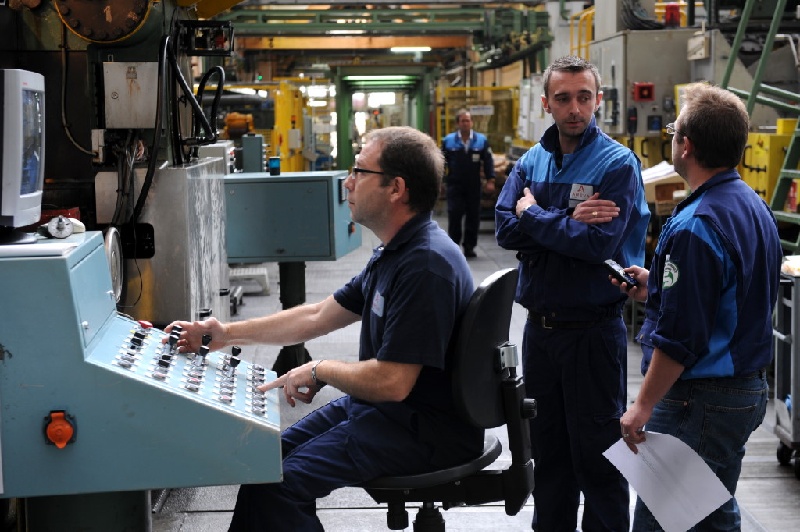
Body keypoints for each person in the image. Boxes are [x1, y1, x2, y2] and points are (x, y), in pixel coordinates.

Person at [164, 126, 481, 531]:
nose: (347, 182)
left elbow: (392, 382)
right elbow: (316, 316)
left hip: (425, 431)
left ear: (395, 188)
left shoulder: (426, 266)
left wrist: (320, 369)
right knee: (266, 462)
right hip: (391, 415)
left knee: (280, 486)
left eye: (359, 171)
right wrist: (224, 334)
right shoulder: (396, 252)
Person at [495, 55, 651, 531]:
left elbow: (598, 244)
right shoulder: (532, 160)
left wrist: (535, 215)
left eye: (584, 97)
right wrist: (561, 223)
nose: (574, 108)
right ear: (546, 103)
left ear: (598, 100)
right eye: (563, 98)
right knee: (549, 458)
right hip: (539, 334)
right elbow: (504, 228)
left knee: (600, 460)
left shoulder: (617, 164)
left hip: (592, 335)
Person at [618, 82, 782, 531]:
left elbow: (681, 337)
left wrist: (642, 407)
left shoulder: (696, 225)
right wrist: (659, 289)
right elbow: (732, 292)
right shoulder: (753, 206)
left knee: (658, 521)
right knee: (710, 514)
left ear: (685, 146)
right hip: (744, 391)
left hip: (700, 399)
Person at [442, 108, 495, 257]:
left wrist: (490, 180)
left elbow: (488, 161)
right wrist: (440, 182)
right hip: (454, 185)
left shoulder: (481, 140)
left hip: (473, 185)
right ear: (458, 123)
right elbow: (442, 163)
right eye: (463, 120)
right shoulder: (448, 141)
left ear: (471, 122)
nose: (466, 123)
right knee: (454, 215)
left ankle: (469, 247)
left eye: (468, 120)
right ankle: (453, 247)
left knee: (473, 216)